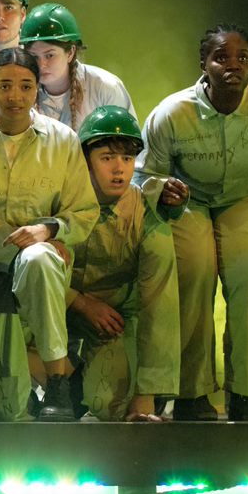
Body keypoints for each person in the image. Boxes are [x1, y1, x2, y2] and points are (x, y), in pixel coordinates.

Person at [137, 24, 248, 422]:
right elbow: (143, 176)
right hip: (190, 200)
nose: (233, 65)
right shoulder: (172, 114)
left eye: (242, 57)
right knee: (194, 271)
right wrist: (162, 190)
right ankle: (191, 394)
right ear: (204, 64)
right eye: (222, 57)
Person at [0, 48, 99, 422]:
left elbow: (84, 210)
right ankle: (8, 387)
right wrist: (14, 237)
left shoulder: (62, 140)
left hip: (42, 273)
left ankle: (58, 381)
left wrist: (48, 229)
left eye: (25, 86)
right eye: (5, 86)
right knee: (6, 409)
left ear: (37, 90)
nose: (15, 96)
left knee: (39, 256)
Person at [67, 106, 180, 421]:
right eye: (106, 158)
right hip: (55, 308)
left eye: (127, 159)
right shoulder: (63, 199)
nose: (119, 169)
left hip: (112, 318)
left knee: (107, 407)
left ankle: (84, 387)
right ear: (85, 160)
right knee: (4, 399)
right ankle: (65, 379)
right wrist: (79, 302)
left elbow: (159, 303)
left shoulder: (144, 212)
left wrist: (146, 394)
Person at [20, 3, 134, 131]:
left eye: (50, 55)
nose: (41, 64)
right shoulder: (21, 92)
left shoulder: (105, 87)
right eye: (34, 57)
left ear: (70, 52)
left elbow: (127, 146)